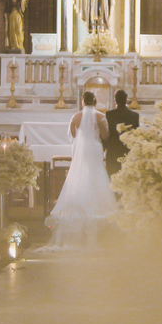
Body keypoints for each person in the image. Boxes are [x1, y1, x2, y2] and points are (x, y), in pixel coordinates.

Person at [43, 91, 119, 250]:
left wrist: (82, 137)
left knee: (79, 173)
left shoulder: (76, 117)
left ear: (83, 102)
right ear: (95, 102)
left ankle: (78, 202)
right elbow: (105, 136)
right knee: (96, 173)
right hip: (95, 148)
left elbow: (72, 135)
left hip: (81, 149)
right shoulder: (100, 117)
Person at [104, 89, 140, 175]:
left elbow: (107, 133)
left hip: (113, 150)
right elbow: (136, 134)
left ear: (115, 100)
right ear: (126, 100)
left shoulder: (109, 114)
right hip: (127, 150)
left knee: (112, 175)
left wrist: (105, 147)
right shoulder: (134, 115)